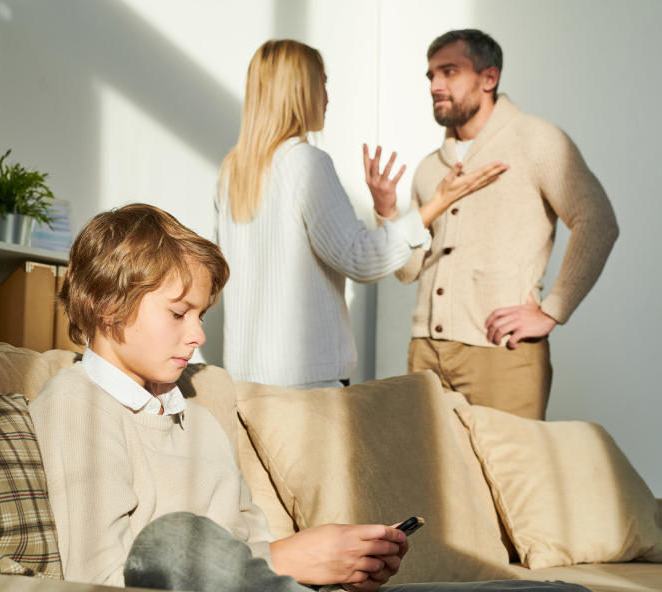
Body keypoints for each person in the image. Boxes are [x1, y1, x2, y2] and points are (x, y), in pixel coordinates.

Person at [29, 203, 625, 592]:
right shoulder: (78, 405)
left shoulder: (198, 412)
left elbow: (255, 566)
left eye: (202, 313)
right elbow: (100, 587)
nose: (199, 334)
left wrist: (333, 566)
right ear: (109, 303)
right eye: (179, 312)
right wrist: (284, 560)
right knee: (171, 542)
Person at [215, 39, 507, 389]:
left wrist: (386, 209)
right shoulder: (305, 163)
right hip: (308, 385)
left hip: (245, 382)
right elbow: (362, 260)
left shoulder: (231, 172)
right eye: (322, 82)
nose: (327, 96)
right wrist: (435, 206)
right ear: (301, 90)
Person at [390, 29, 620, 419]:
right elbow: (408, 272)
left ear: (489, 78)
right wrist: (388, 215)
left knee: (509, 477)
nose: (435, 86)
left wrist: (552, 310)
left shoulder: (537, 140)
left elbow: (597, 221)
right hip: (425, 352)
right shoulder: (430, 168)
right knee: (431, 479)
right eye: (431, 75)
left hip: (501, 352)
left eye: (449, 72)